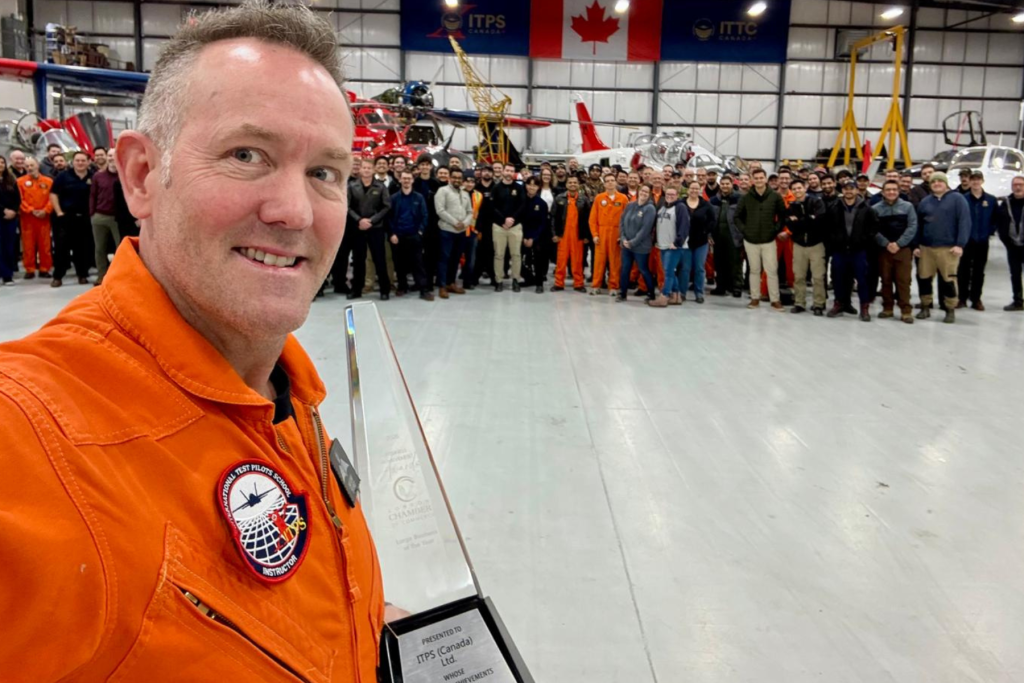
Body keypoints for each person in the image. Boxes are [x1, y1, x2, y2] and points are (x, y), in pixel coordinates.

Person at [0, 3, 385, 681]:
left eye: (325, 172)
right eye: (247, 155)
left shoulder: (286, 395)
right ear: (143, 175)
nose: (294, 211)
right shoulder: (30, 434)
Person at [915, 172, 971, 323]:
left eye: (940, 181)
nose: (937, 184)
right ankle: (925, 306)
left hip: (948, 249)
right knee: (924, 278)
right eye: (934, 182)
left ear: (946, 183)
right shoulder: (925, 202)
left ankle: (950, 309)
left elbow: (964, 222)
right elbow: (919, 225)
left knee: (949, 280)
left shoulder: (958, 199)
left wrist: (960, 244)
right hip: (926, 248)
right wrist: (917, 244)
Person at [826, 179, 878, 321]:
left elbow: (873, 228)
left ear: (856, 190)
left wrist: (863, 241)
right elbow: (827, 227)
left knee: (862, 279)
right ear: (842, 191)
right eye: (845, 188)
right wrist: (834, 241)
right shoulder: (834, 207)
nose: (848, 191)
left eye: (851, 188)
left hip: (858, 251)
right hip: (840, 250)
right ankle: (838, 303)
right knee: (837, 278)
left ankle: (864, 307)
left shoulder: (867, 209)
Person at [736, 168, 786, 310]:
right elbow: (737, 217)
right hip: (750, 240)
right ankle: (754, 298)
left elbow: (782, 216)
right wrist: (745, 230)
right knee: (754, 270)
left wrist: (775, 231)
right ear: (752, 180)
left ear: (765, 179)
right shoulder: (746, 198)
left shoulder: (775, 197)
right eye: (756, 178)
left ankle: (775, 300)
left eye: (761, 178)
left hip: (769, 240)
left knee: (771, 270)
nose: (758, 180)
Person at [871, 180, 918, 323]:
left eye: (894, 189)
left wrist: (899, 243)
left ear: (898, 191)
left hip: (903, 250)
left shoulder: (908, 207)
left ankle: (906, 310)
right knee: (885, 280)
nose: (891, 192)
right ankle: (888, 308)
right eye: (888, 190)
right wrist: (886, 243)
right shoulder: (875, 209)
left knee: (903, 281)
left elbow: (912, 226)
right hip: (884, 250)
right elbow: (873, 229)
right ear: (883, 192)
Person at [347, 157, 391, 300]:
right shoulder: (352, 186)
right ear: (360, 169)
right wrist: (359, 220)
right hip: (358, 228)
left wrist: (371, 221)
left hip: (376, 228)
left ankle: (384, 290)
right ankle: (356, 290)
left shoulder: (381, 187)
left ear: (373, 170)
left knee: (380, 259)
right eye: (364, 168)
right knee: (359, 260)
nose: (366, 170)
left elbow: (386, 206)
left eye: (369, 168)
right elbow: (347, 207)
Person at [50, 150, 95, 287]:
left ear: (88, 162)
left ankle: (82, 274)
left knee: (82, 248)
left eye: (83, 160)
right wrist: (59, 212)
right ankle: (58, 276)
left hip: (85, 218)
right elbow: (53, 194)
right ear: (73, 162)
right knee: (61, 248)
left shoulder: (93, 177)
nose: (80, 163)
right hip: (65, 217)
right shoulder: (63, 176)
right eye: (77, 160)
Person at [389, 169, 433, 301]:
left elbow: (425, 215)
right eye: (404, 178)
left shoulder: (419, 198)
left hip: (414, 235)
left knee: (418, 264)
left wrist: (420, 231)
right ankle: (402, 286)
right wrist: (392, 233)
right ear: (400, 180)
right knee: (400, 264)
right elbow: (389, 217)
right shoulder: (394, 198)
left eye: (409, 178)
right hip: (398, 236)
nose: (406, 180)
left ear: (412, 180)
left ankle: (423, 289)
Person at [786, 178, 827, 315]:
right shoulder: (791, 207)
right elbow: (791, 225)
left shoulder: (817, 202)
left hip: (816, 244)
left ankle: (819, 304)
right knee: (799, 276)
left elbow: (819, 221)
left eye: (799, 188)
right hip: (799, 245)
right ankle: (799, 303)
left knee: (818, 277)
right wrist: (808, 219)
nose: (797, 191)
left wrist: (801, 221)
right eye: (795, 189)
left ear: (805, 188)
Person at [956, 171, 997, 310]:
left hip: (982, 240)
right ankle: (961, 298)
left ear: (982, 181)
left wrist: (989, 231)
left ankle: (976, 299)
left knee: (979, 271)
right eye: (973, 179)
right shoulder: (963, 199)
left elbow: (995, 218)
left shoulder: (991, 200)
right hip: (967, 240)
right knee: (963, 270)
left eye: (978, 179)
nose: (975, 182)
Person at [434, 166, 471, 298]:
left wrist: (465, 223)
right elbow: (440, 210)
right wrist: (455, 222)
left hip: (461, 232)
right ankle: (442, 286)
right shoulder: (442, 191)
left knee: (455, 259)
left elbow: (470, 212)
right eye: (454, 177)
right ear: (449, 178)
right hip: (446, 231)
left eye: (459, 178)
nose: (457, 180)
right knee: (444, 259)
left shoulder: (465, 193)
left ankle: (451, 283)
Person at [550, 175, 591, 292]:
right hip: (562, 235)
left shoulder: (584, 200)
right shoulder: (559, 198)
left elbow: (589, 219)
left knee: (578, 261)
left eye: (575, 182)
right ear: (566, 184)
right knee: (561, 261)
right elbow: (552, 217)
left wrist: (587, 236)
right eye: (570, 182)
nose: (572, 184)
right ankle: (558, 283)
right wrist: (554, 234)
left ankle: (578, 284)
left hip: (578, 235)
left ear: (578, 184)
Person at [616, 184, 656, 303]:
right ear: (638, 191)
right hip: (626, 245)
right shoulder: (630, 205)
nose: (643, 193)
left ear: (649, 194)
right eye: (642, 191)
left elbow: (646, 229)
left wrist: (632, 242)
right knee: (625, 269)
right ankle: (622, 293)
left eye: (646, 192)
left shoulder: (650, 208)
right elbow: (622, 221)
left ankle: (651, 293)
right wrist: (623, 238)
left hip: (641, 246)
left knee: (643, 270)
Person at [589, 173, 627, 296]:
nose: (610, 183)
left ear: (616, 182)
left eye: (612, 180)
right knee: (599, 261)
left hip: (616, 234)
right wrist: (594, 234)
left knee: (615, 262)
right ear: (604, 184)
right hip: (601, 233)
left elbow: (627, 219)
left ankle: (614, 286)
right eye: (607, 181)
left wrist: (623, 235)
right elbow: (592, 219)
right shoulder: (599, 198)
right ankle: (596, 285)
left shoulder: (623, 198)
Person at [650, 186, 688, 307]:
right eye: (667, 195)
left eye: (672, 195)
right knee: (669, 271)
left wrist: (677, 242)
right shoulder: (662, 207)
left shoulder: (680, 207)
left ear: (677, 196)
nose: (670, 197)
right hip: (662, 245)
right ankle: (676, 296)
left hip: (673, 246)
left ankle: (664, 296)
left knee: (668, 272)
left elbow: (684, 226)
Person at [491, 163, 526, 292]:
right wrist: (503, 220)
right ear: (503, 172)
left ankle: (516, 280)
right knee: (499, 255)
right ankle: (499, 280)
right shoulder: (496, 188)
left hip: (515, 226)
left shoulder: (519, 188)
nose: (509, 173)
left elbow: (522, 205)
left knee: (516, 254)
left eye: (512, 171)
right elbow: (492, 207)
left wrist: (512, 219)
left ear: (514, 173)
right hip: (499, 226)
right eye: (507, 170)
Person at [16, 157, 53, 280]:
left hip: (44, 218)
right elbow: (19, 199)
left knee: (45, 244)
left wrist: (46, 210)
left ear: (37, 165)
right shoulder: (20, 182)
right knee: (28, 245)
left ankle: (44, 268)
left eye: (32, 165)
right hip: (27, 219)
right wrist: (30, 210)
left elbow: (52, 198)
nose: (30, 168)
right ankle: (30, 269)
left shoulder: (48, 181)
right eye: (27, 166)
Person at [89, 149, 122, 285]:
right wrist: (92, 214)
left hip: (117, 219)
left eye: (114, 156)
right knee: (99, 249)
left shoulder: (123, 175)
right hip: (100, 216)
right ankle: (101, 276)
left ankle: (120, 276)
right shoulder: (98, 176)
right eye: (109, 156)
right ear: (106, 158)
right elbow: (92, 195)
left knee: (121, 249)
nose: (112, 158)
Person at [679, 181, 714, 304]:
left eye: (696, 188)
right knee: (685, 268)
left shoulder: (706, 205)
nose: (694, 190)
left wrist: (706, 232)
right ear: (688, 190)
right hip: (685, 242)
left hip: (701, 242)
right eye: (692, 188)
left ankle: (699, 293)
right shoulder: (681, 203)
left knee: (699, 268)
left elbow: (712, 221)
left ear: (700, 190)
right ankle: (682, 293)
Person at [709, 175, 744, 297]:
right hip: (718, 234)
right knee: (719, 262)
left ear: (731, 184)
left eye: (727, 184)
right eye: (722, 184)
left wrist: (742, 234)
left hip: (733, 235)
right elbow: (709, 218)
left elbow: (744, 217)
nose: (725, 186)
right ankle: (720, 287)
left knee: (735, 262)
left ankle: (736, 287)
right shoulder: (713, 200)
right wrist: (709, 234)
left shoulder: (739, 199)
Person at [995, 175, 1024, 311]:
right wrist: (1007, 242)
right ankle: (1018, 300)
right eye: (1015, 185)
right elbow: (1000, 225)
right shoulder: (1006, 204)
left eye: (1021, 185)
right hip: (1013, 246)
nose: (1018, 187)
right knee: (1015, 274)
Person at [521, 176, 549, 293]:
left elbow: (543, 223)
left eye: (534, 185)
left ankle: (539, 283)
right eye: (529, 184)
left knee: (538, 257)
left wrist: (533, 238)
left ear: (538, 187)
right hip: (521, 234)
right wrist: (523, 237)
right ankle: (528, 278)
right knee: (517, 257)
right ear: (526, 186)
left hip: (537, 236)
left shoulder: (542, 204)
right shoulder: (521, 200)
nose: (531, 187)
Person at [0, 155, 19, 285]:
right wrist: (3, 211)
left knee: (9, 246)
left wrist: (13, 210)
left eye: (2, 162)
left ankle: (8, 273)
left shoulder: (11, 180)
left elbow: (17, 198)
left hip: (11, 218)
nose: (0, 164)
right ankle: (3, 273)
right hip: (0, 216)